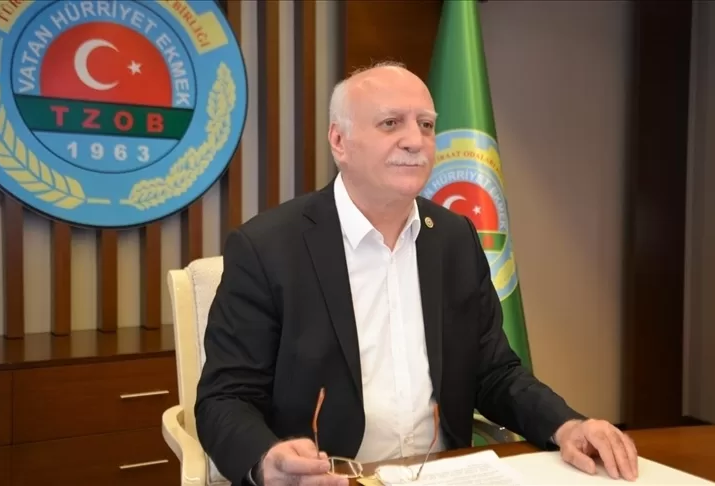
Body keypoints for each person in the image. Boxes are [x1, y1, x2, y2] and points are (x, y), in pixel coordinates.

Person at [195, 62, 638, 486]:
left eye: (426, 125)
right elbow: (225, 398)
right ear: (339, 141)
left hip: (445, 474)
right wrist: (266, 460)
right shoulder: (267, 248)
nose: (415, 141)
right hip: (329, 480)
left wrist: (566, 425)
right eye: (391, 123)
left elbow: (493, 372)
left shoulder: (454, 237)